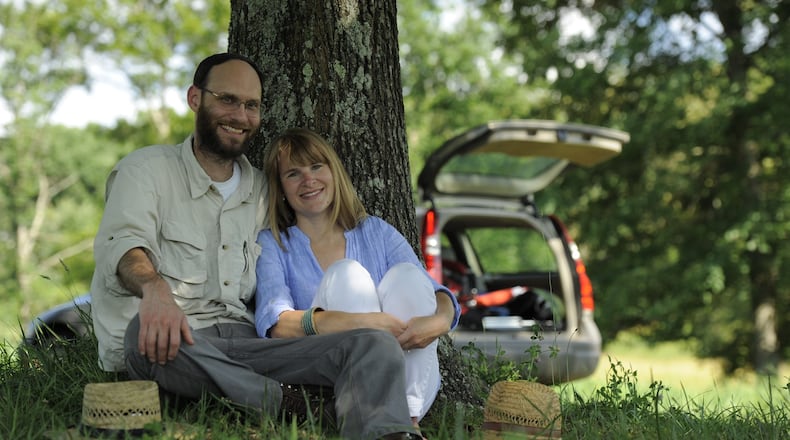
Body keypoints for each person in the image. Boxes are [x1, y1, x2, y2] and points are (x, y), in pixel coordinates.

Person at [89, 53, 422, 440]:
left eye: (251, 105)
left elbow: (308, 232)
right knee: (141, 337)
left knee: (373, 344)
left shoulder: (264, 190)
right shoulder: (146, 170)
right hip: (181, 341)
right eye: (227, 100)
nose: (240, 115)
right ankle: (289, 404)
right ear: (195, 98)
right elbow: (123, 245)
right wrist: (155, 290)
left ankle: (387, 434)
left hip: (255, 346)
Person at [254, 128, 462, 433]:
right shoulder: (274, 243)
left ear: (334, 173)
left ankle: (405, 422)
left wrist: (441, 321)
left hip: (410, 381)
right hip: (333, 379)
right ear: (280, 187)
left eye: (316, 167)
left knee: (407, 275)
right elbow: (276, 324)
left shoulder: (375, 231)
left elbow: (431, 292)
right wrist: (363, 324)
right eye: (293, 174)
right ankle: (391, 425)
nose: (308, 180)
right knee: (346, 274)